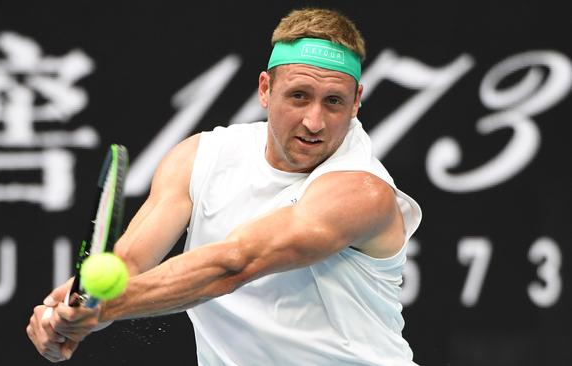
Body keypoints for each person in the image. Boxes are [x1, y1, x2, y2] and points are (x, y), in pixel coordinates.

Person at [27, 7, 422, 365]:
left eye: (333, 102)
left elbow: (234, 264)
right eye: (298, 96)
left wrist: (104, 309)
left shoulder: (362, 192)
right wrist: (68, 312)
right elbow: (127, 266)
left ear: (356, 103)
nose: (314, 122)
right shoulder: (201, 156)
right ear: (265, 89)